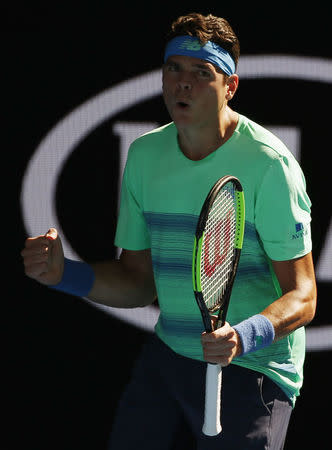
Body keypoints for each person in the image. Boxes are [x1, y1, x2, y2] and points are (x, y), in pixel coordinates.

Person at [21, 12, 317, 450]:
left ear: (229, 87)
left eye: (202, 73)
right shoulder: (145, 155)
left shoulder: (270, 166)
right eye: (174, 69)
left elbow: (304, 296)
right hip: (169, 360)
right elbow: (139, 284)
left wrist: (243, 335)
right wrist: (65, 275)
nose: (183, 83)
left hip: (256, 371)